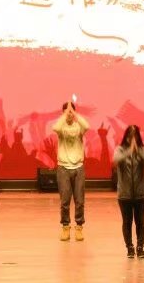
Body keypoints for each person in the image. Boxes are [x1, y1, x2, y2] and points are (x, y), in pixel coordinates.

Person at [51, 101, 90, 241]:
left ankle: (79, 227)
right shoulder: (61, 127)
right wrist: (65, 114)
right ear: (63, 113)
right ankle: (65, 227)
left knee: (79, 201)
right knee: (65, 201)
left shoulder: (78, 127)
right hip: (63, 167)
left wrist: (74, 113)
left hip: (78, 167)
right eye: (67, 112)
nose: (69, 114)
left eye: (71, 112)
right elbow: (55, 127)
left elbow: (87, 126)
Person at [113, 124, 144, 259]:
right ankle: (129, 247)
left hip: (140, 194)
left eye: (134, 136)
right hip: (124, 195)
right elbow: (116, 160)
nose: (132, 139)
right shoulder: (120, 150)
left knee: (140, 222)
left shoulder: (142, 150)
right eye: (130, 136)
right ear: (126, 137)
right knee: (127, 222)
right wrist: (129, 151)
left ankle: (140, 247)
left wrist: (138, 151)